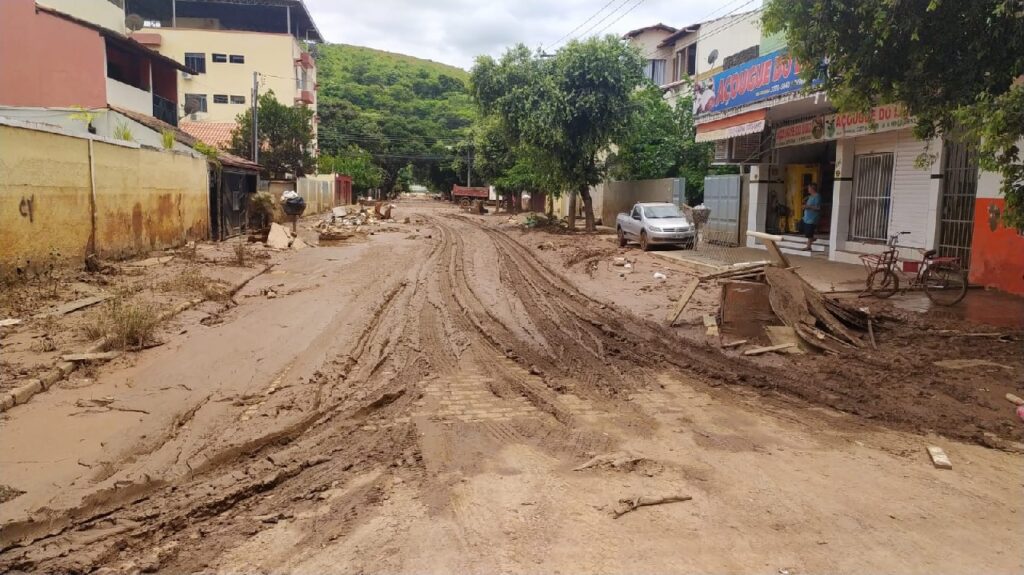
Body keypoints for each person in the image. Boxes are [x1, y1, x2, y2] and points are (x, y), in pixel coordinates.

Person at [800, 183, 821, 250]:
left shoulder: (817, 196)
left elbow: (818, 208)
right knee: (800, 227)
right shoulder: (810, 196)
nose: (808, 189)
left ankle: (808, 246)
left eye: (809, 188)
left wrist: (808, 206)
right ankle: (812, 238)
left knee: (809, 232)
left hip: (812, 218)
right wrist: (805, 206)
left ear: (812, 189)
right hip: (806, 217)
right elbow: (807, 204)